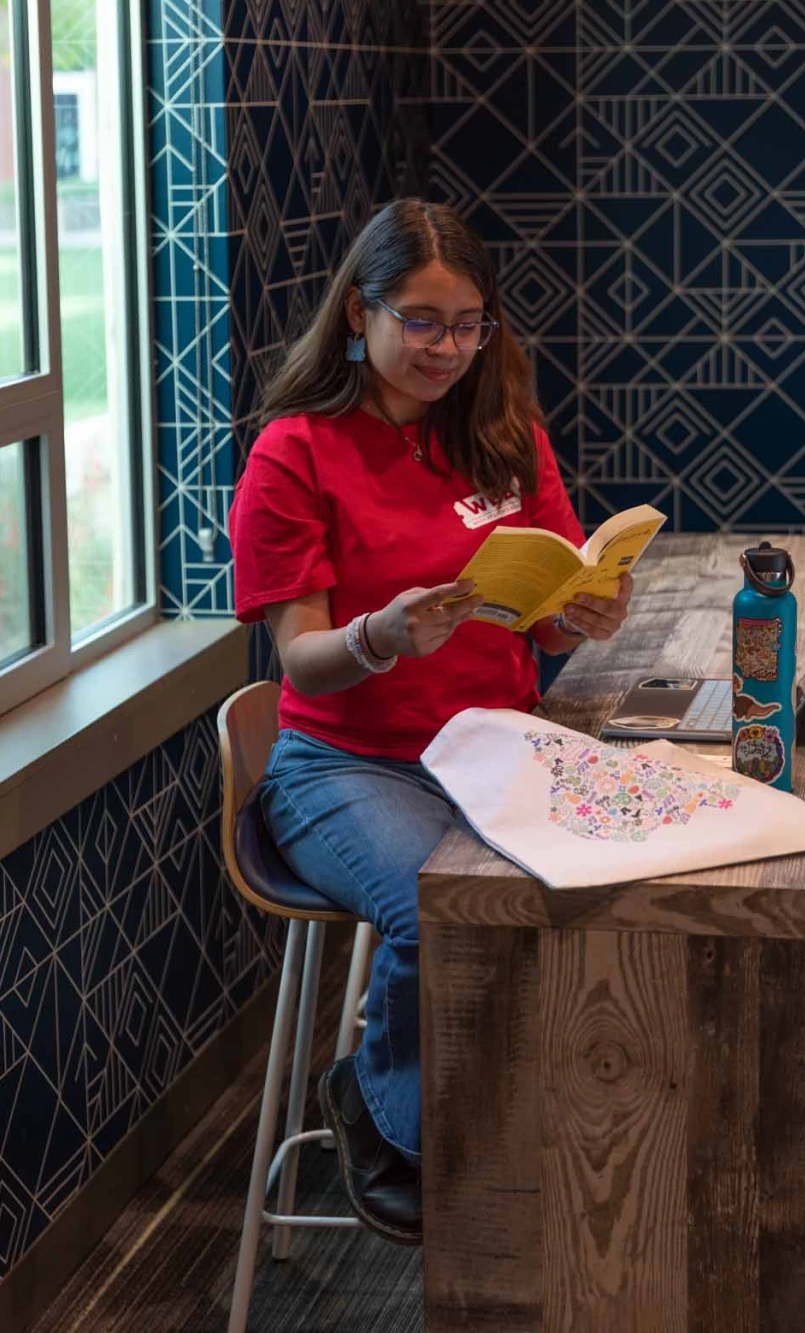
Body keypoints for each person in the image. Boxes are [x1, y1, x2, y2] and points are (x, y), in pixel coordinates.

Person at [228, 199, 633, 1246]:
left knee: (626, 880)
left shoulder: (504, 437)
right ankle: (397, 1124)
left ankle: (570, 1127)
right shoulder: (295, 454)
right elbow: (299, 661)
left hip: (493, 743)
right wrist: (384, 635)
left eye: (469, 324)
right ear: (359, 313)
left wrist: (581, 615)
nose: (448, 348)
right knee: (442, 904)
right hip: (344, 762)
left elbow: (541, 639)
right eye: (421, 320)